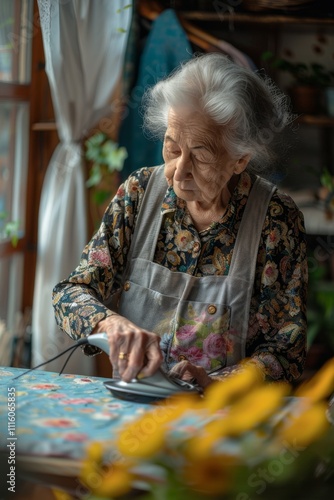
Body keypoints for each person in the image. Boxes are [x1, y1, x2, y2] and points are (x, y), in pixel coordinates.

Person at [52, 53, 308, 389]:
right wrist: (110, 323)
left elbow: (287, 352)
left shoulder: (276, 220)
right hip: (134, 407)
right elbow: (71, 293)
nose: (179, 170)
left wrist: (214, 382)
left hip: (222, 416)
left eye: (200, 156)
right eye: (172, 148)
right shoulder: (139, 193)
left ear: (239, 159)